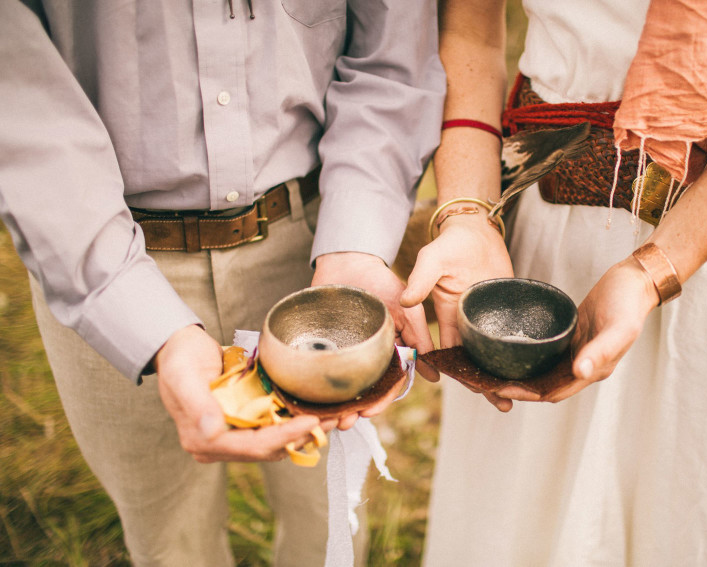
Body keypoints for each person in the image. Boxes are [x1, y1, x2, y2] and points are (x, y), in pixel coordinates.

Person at [402, 0, 707, 564]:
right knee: (516, 521)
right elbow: (471, 30)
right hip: (541, 235)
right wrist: (468, 214)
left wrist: (655, 269)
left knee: (682, 518)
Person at [0, 1, 444, 565]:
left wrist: (356, 243)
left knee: (330, 517)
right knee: (168, 537)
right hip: (107, 250)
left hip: (311, 241)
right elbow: (23, 114)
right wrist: (143, 322)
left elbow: (392, 62)